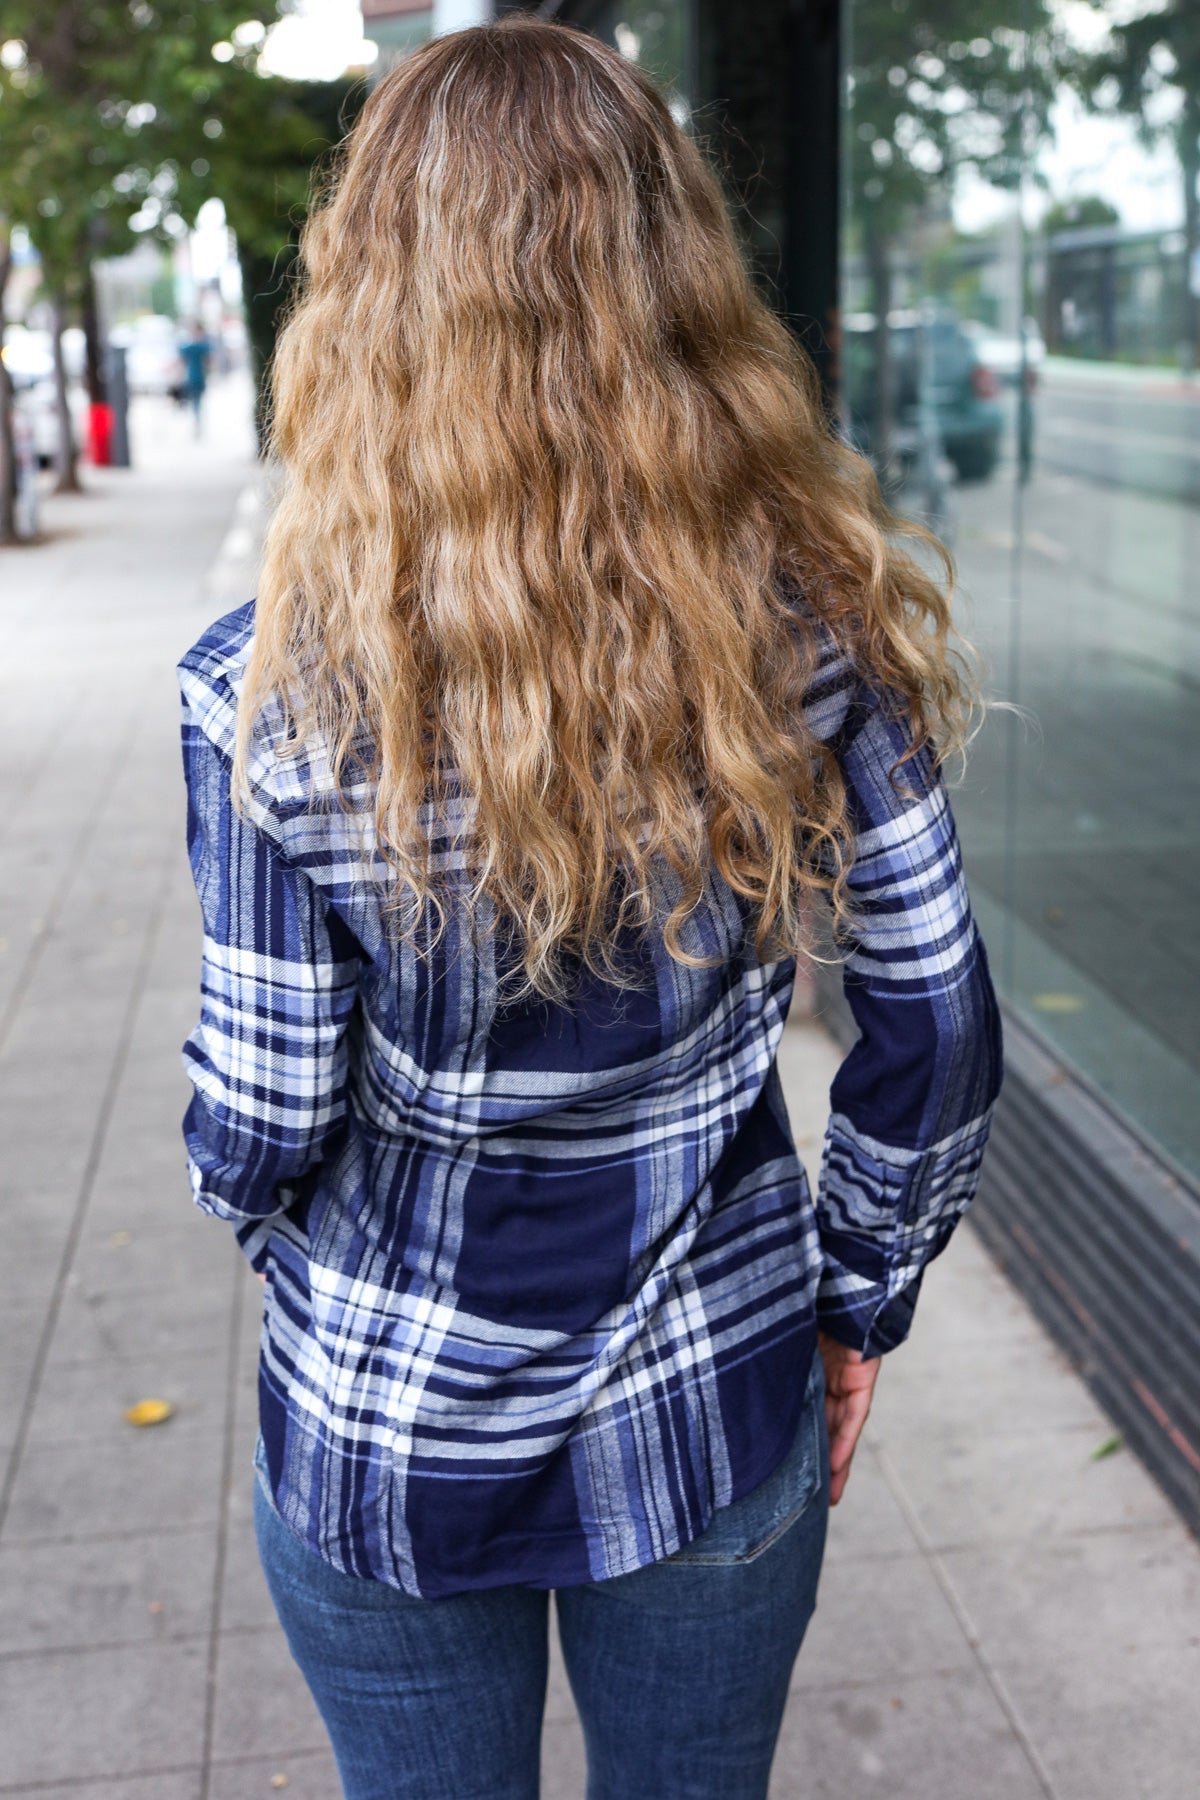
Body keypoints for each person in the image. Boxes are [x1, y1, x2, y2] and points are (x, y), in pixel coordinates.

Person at [177, 18, 1002, 1800]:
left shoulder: (268, 696)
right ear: (676, 282)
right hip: (712, 1397)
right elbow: (933, 1029)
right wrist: (858, 1300)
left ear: (372, 301)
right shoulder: (816, 633)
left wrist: (323, 1265)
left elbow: (259, 1120)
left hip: (384, 1432)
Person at [175, 318, 210, 435]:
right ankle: (197, 422)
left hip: (195, 377)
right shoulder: (202, 346)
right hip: (197, 377)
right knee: (197, 402)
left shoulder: (192, 347)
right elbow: (209, 361)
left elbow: (181, 359)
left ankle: (197, 422)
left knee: (196, 402)